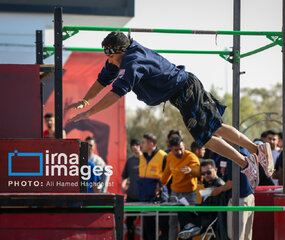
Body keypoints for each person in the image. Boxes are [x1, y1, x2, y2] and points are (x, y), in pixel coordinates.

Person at [65, 31, 274, 187]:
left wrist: (90, 113)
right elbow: (103, 80)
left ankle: (247, 162)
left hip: (185, 90)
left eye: (110, 56)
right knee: (215, 128)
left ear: (119, 52)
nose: (108, 60)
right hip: (182, 90)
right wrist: (85, 101)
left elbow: (116, 92)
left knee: (206, 137)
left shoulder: (133, 62)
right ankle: (256, 151)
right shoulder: (121, 56)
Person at [160, 136, 200, 240]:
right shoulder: (169, 157)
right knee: (173, 222)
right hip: (175, 193)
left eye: (181, 149)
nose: (179, 152)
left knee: (187, 224)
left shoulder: (191, 157)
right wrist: (160, 184)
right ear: (171, 149)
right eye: (176, 150)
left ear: (184, 146)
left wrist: (191, 170)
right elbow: (167, 173)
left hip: (189, 194)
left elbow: (198, 171)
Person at [211, 147, 255, 240]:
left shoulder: (234, 155)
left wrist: (217, 190)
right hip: (248, 197)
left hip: (239, 199)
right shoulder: (245, 151)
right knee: (246, 235)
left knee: (236, 235)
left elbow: (232, 182)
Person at [177, 159, 225, 239]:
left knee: (184, 232)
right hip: (204, 215)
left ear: (216, 170)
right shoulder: (208, 184)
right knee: (181, 208)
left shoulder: (218, 185)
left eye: (209, 172)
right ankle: (189, 229)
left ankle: (191, 229)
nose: (206, 175)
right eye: (203, 173)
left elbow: (212, 208)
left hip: (210, 220)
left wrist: (195, 207)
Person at [138, 133, 169, 240]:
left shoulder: (163, 156)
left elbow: (168, 177)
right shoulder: (142, 157)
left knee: (163, 228)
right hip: (145, 199)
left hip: (159, 199)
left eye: (143, 143)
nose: (141, 145)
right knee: (147, 230)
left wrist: (160, 187)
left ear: (151, 144)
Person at [121, 138, 142, 240]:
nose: (134, 147)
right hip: (131, 197)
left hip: (144, 198)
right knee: (129, 223)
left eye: (136, 145)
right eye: (132, 145)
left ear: (140, 146)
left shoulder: (146, 159)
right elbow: (125, 176)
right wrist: (122, 185)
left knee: (147, 224)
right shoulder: (130, 161)